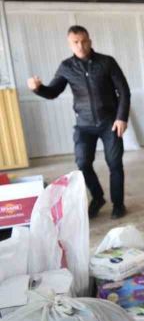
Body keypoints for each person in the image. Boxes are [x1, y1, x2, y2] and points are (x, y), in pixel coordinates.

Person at [27, 25, 130, 219]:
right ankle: (98, 197)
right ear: (70, 44)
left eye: (83, 41)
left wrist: (121, 117)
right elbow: (53, 92)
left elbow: (123, 91)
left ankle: (118, 204)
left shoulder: (107, 62)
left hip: (110, 123)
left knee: (115, 164)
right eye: (75, 42)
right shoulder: (66, 67)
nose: (80, 45)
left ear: (90, 41)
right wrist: (37, 88)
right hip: (84, 125)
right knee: (83, 163)